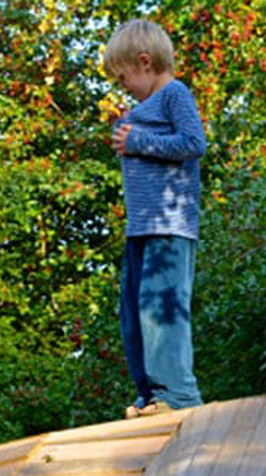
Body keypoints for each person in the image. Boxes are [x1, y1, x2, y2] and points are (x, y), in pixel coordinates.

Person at [104, 18, 206, 418]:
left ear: (145, 62)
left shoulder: (174, 94)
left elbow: (193, 143)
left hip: (169, 224)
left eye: (124, 77)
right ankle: (148, 395)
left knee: (161, 310)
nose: (123, 86)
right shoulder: (144, 108)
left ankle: (178, 396)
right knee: (133, 312)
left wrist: (136, 140)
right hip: (141, 228)